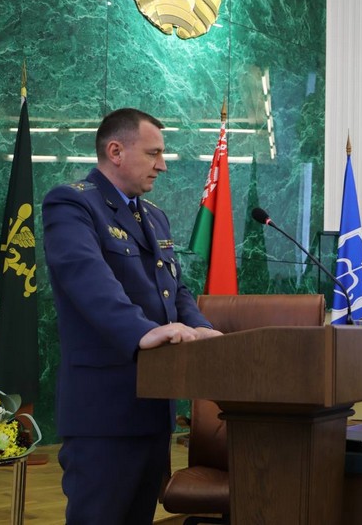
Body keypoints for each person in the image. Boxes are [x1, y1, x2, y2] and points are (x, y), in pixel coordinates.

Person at [43, 108, 224, 524]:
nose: (163, 164)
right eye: (153, 153)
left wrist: (201, 328)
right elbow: (86, 277)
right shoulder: (72, 203)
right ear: (115, 151)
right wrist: (141, 331)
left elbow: (175, 289)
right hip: (104, 409)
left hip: (152, 408)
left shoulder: (154, 216)